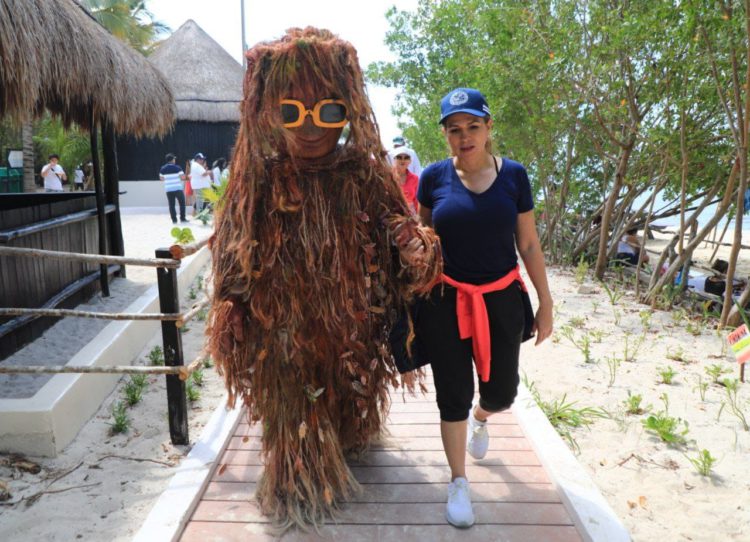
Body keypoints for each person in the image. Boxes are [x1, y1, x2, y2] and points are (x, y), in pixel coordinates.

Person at [206, 27, 441, 530]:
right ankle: (300, 483)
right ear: (270, 113)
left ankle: (348, 432)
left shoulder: (362, 172)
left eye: (328, 112)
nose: (310, 128)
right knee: (294, 404)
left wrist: (414, 246)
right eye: (292, 112)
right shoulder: (262, 180)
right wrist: (233, 304)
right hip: (282, 324)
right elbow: (232, 247)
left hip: (345, 322)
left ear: (348, 112)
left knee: (341, 390)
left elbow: (404, 241)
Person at [416, 87, 553, 528]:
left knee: (502, 391)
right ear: (445, 135)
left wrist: (545, 300)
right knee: (450, 395)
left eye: (473, 126)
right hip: (446, 299)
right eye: (454, 129)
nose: (465, 136)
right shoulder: (433, 178)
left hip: (500, 298)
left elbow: (528, 243)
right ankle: (458, 481)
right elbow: (424, 242)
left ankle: (483, 417)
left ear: (489, 127)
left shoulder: (514, 176)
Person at [159, 153, 188, 223]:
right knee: (182, 203)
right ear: (172, 160)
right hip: (178, 188)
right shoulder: (178, 167)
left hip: (168, 189)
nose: (175, 160)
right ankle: (182, 218)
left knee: (171, 205)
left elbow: (161, 178)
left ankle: (174, 220)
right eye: (174, 159)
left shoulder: (163, 168)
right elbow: (182, 177)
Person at [389, 147, 419, 214]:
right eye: (399, 157)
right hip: (392, 212)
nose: (403, 160)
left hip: (410, 214)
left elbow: (417, 201)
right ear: (394, 160)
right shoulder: (388, 175)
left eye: (406, 158)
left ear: (410, 161)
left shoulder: (415, 178)